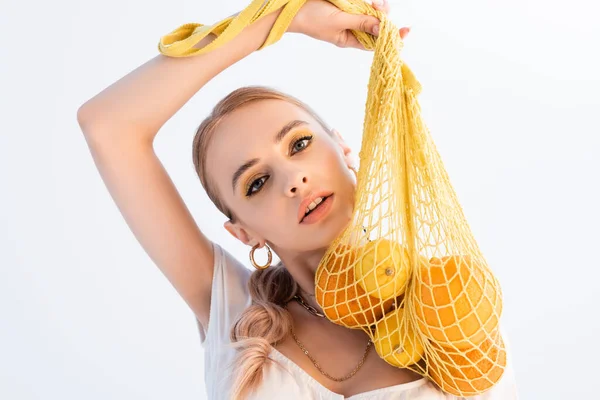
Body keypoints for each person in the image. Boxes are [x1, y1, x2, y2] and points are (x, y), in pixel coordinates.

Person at [77, 0, 518, 399]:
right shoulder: (233, 311)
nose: (292, 179)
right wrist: (286, 16)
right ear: (242, 231)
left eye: (300, 143)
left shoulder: (448, 302)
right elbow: (108, 126)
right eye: (256, 182)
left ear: (344, 151)